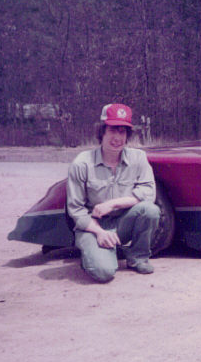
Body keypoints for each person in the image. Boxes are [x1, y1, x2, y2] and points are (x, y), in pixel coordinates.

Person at [66, 103, 160, 282]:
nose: (117, 137)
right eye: (112, 130)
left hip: (122, 223)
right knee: (104, 272)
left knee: (150, 210)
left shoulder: (138, 158)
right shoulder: (82, 163)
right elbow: (75, 210)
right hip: (92, 228)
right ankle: (94, 256)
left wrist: (113, 204)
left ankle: (137, 258)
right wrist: (99, 232)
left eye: (123, 131)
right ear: (102, 132)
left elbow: (149, 192)